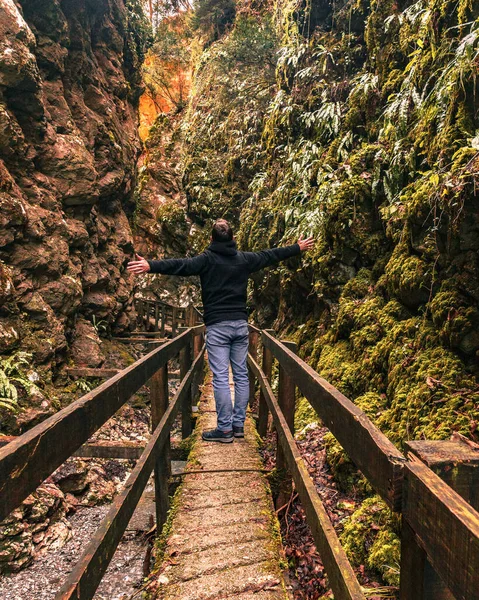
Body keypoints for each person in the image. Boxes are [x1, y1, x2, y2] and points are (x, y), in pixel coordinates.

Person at [127, 219, 315, 443]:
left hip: (217, 327)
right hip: (240, 325)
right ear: (233, 238)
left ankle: (224, 429)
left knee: (221, 378)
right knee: (242, 375)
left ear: (211, 239)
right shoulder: (244, 259)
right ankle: (238, 426)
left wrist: (150, 265)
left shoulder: (206, 260)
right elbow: (269, 255)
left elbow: (180, 265)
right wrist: (298, 247)